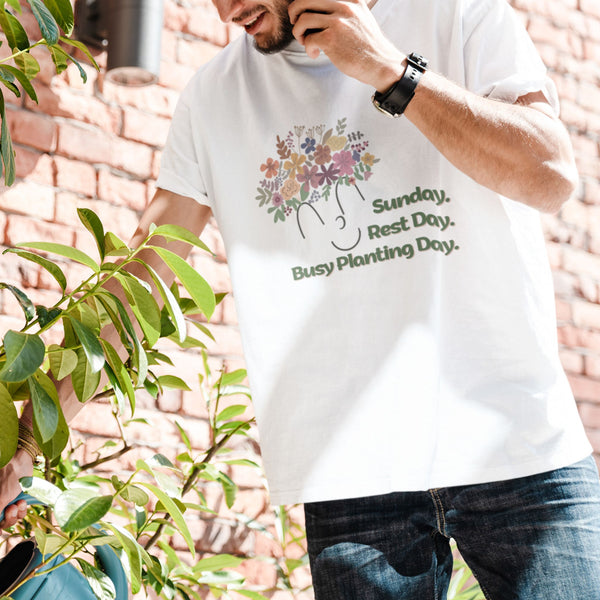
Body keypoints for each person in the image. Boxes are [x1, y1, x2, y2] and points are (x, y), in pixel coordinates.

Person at [3, 0, 600, 597]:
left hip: (519, 447)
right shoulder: (215, 97)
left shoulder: (459, 15)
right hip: (353, 478)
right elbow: (141, 282)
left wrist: (393, 72)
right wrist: (26, 444)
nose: (227, 10)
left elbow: (549, 174)